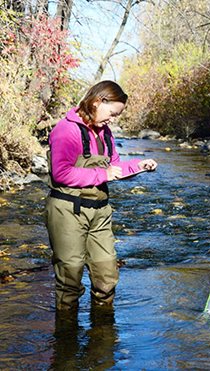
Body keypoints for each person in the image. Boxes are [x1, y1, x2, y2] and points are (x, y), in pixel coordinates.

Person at [45, 80, 157, 311]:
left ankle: (103, 337)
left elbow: (114, 169)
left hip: (100, 212)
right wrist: (101, 173)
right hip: (67, 211)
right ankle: (66, 340)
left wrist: (139, 166)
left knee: (106, 277)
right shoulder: (65, 131)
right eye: (112, 113)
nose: (113, 120)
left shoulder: (105, 134)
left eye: (117, 116)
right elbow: (61, 172)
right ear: (97, 102)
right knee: (70, 281)